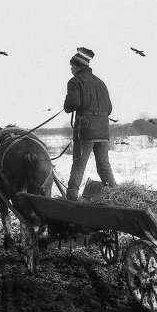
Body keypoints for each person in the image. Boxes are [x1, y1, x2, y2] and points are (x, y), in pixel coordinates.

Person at [63, 47, 116, 201]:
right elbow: (109, 109)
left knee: (79, 164)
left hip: (85, 131)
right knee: (104, 166)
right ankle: (114, 194)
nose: (71, 69)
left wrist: (67, 105)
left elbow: (73, 103)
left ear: (78, 66)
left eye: (71, 66)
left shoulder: (74, 81)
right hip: (103, 132)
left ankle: (71, 196)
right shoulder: (101, 83)